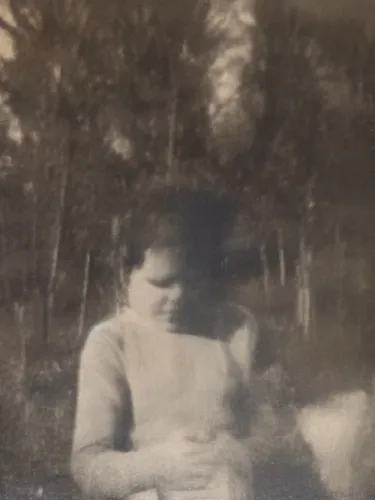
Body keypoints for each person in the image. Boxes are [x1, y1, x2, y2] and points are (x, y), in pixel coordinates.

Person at [70, 185, 258, 500]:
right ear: (124, 275)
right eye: (161, 284)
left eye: (191, 281)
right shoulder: (112, 342)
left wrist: (236, 452)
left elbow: (268, 429)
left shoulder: (233, 329)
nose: (179, 296)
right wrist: (158, 464)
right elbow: (86, 466)